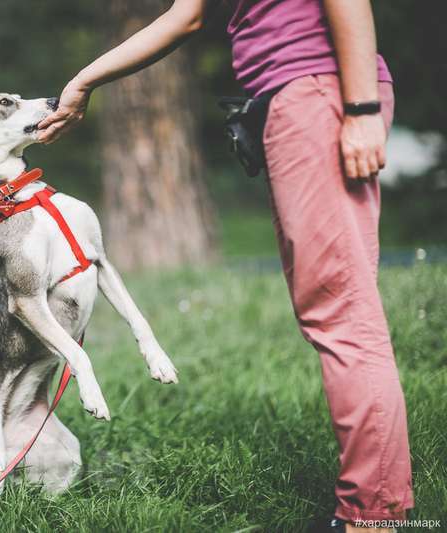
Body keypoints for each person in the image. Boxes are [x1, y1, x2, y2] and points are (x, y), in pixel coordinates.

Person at [37, 1, 413, 531]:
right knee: (329, 313)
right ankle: (373, 510)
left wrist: (361, 110)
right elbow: (186, 15)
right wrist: (85, 81)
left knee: (344, 316)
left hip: (318, 93)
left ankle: (373, 517)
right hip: (294, 100)